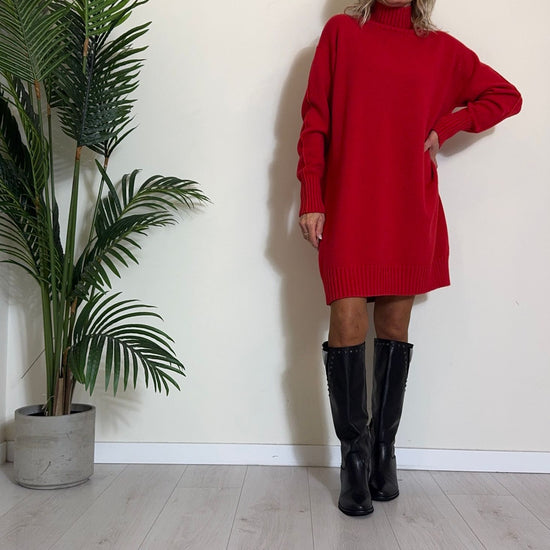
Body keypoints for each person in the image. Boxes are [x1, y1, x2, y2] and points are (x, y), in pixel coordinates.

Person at [297, 0, 522, 517]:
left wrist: (450, 124)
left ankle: (383, 453)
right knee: (346, 322)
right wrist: (311, 193)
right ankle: (353, 461)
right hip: (349, 203)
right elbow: (315, 118)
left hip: (407, 208)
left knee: (394, 329)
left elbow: (506, 95)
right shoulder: (341, 34)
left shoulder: (441, 50)